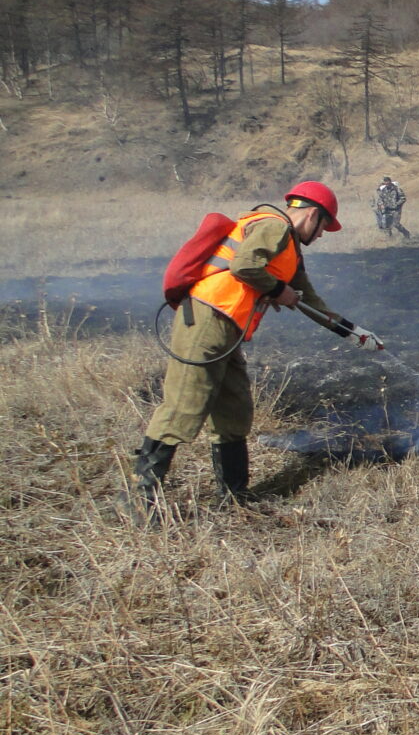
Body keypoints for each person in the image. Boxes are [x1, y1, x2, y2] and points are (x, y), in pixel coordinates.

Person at [134, 182, 368, 507]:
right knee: (184, 406)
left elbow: (309, 300)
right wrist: (276, 291)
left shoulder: (289, 250)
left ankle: (233, 496)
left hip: (225, 329)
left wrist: (353, 332)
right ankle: (139, 499)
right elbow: (243, 265)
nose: (322, 235)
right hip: (206, 321)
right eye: (324, 227)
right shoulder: (274, 227)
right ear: (313, 215)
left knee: (235, 409)